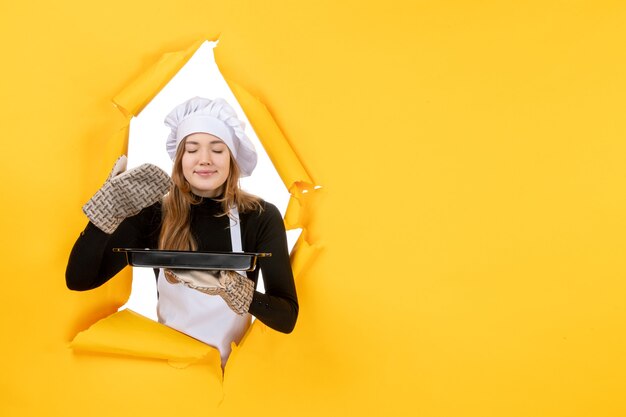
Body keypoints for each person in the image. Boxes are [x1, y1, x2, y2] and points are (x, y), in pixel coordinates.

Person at [66, 97, 298, 366]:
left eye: (217, 149)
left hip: (233, 379)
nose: (205, 159)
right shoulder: (154, 214)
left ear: (232, 158)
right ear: (179, 158)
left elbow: (286, 317)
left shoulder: (259, 216)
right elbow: (80, 279)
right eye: (192, 149)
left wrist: (233, 289)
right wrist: (103, 217)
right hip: (172, 375)